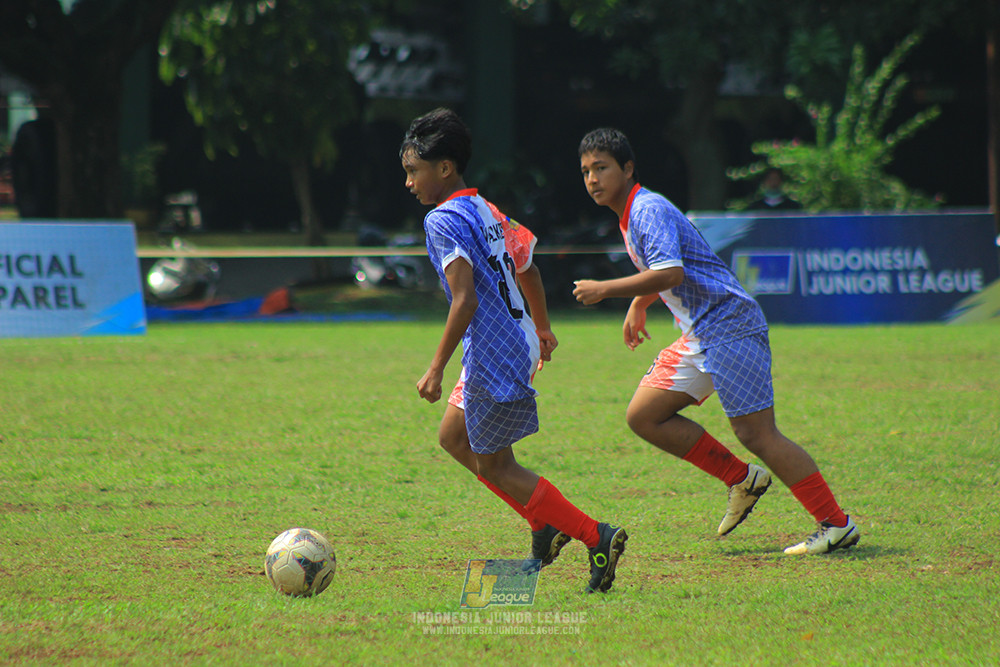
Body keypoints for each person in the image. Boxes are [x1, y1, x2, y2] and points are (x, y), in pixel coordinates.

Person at [572, 128, 859, 555]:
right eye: (585, 171)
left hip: (729, 325)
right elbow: (673, 267)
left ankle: (837, 524)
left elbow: (670, 273)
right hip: (703, 331)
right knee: (644, 415)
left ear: (627, 169)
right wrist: (639, 302)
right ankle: (742, 479)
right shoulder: (630, 213)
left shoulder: (646, 209)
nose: (593, 179)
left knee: (758, 433)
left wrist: (606, 289)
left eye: (601, 168)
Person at [403, 108, 628, 592]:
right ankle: (543, 524)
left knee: (497, 466)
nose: (408, 183)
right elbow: (526, 263)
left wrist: (435, 367)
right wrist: (542, 327)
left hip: (492, 349)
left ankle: (596, 536)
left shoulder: (441, 219)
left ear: (444, 168)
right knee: (454, 438)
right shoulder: (485, 207)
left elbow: (465, 299)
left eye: (413, 171)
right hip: (516, 338)